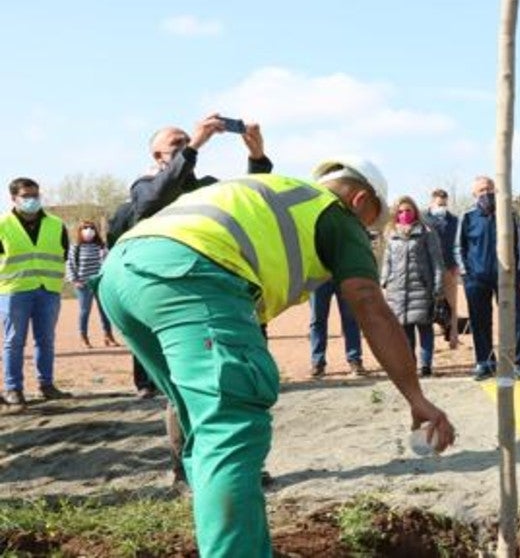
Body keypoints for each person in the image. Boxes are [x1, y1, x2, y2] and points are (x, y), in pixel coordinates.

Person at [96, 156, 456, 557]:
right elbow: (369, 301)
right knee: (231, 423)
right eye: (370, 226)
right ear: (358, 200)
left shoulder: (280, 192)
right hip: (191, 275)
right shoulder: (335, 213)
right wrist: (415, 397)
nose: (366, 236)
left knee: (202, 425)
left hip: (120, 277)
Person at [125, 113, 274, 398]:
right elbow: (153, 201)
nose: (187, 145)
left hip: (210, 279)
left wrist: (257, 155)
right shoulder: (144, 185)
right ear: (158, 155)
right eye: (178, 143)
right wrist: (195, 145)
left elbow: (248, 200)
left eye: (187, 141)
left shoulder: (207, 187)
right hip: (167, 283)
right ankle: (154, 387)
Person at [1, 177, 71, 408]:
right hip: (13, 291)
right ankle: (14, 389)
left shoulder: (56, 224)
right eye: (26, 196)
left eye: (35, 196)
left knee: (46, 340)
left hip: (48, 290)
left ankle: (47, 385)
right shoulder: (2, 225)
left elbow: (63, 254)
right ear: (14, 198)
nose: (32, 200)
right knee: (14, 341)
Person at [454, 176, 520, 381]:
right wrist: (466, 274)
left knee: (515, 320)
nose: (485, 193)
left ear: (495, 190)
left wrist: (518, 272)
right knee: (480, 322)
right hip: (477, 278)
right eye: (480, 191)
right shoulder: (468, 216)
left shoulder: (508, 214)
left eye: (488, 189)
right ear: (474, 194)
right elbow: (459, 247)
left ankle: (519, 363)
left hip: (507, 277)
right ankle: (485, 363)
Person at [381, 196, 444, 377]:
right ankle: (410, 365)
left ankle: (426, 365)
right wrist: (385, 281)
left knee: (424, 328)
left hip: (422, 288)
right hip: (398, 290)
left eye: (408, 210)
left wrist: (438, 286)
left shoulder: (427, 232)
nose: (404, 214)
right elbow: (387, 261)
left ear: (415, 211)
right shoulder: (391, 234)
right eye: (400, 211)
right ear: (395, 214)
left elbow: (437, 262)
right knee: (404, 330)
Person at [66, 219, 117, 349]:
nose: (88, 231)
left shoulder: (101, 246)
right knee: (85, 311)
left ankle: (108, 335)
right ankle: (84, 337)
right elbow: (70, 265)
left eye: (91, 228)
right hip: (83, 284)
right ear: (80, 231)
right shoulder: (75, 247)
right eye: (85, 228)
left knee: (104, 310)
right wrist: (75, 280)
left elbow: (108, 262)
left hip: (99, 283)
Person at [424, 188, 460, 350]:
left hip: (448, 267)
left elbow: (458, 244)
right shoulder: (423, 219)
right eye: (439, 203)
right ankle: (428, 341)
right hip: (428, 268)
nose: (442, 207)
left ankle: (453, 337)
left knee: (452, 304)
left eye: (444, 204)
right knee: (427, 305)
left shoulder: (454, 220)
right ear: (432, 201)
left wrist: (457, 265)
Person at [307, 281, 364, 377]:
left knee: (351, 319)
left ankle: (354, 359)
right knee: (317, 319)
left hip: (344, 274)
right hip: (318, 276)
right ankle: (317, 362)